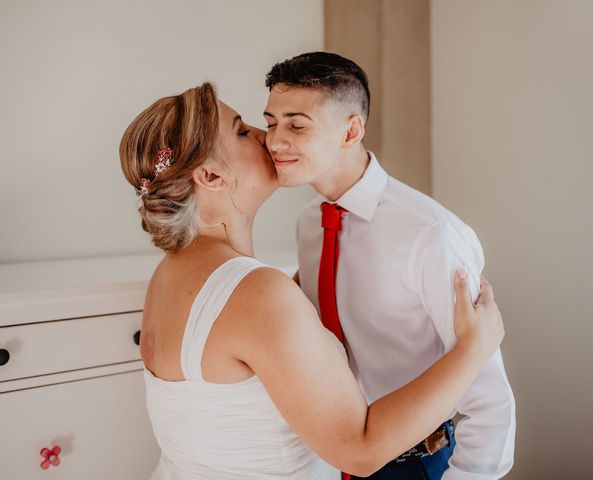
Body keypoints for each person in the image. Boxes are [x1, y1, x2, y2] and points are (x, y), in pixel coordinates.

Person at [119, 82, 504, 480]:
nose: (265, 136)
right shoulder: (258, 294)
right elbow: (360, 449)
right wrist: (473, 349)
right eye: (241, 130)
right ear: (211, 174)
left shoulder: (168, 274)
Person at [263, 52, 516, 480]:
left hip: (418, 463)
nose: (274, 140)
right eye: (271, 122)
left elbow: (490, 401)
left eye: (297, 125)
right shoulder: (309, 224)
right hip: (329, 456)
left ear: (352, 130)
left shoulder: (431, 235)